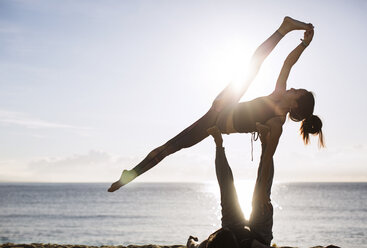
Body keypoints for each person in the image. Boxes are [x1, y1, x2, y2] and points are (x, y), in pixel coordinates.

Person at [108, 17, 324, 192]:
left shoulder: (277, 123)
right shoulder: (278, 95)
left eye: (297, 92)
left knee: (171, 147)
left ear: (295, 106)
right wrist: (304, 43)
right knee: (253, 65)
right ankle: (283, 29)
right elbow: (288, 62)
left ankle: (130, 175)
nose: (293, 88)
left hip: (218, 116)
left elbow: (266, 162)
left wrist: (262, 198)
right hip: (224, 109)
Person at [186, 126, 275, 248]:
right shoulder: (250, 245)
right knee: (262, 194)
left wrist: (191, 240)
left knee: (227, 191)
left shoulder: (208, 246)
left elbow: (192, 245)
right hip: (258, 235)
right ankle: (265, 141)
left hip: (231, 228)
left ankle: (218, 144)